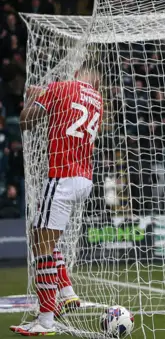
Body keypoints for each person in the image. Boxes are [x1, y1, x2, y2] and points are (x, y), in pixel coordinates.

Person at [10, 66, 103, 336]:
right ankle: (67, 292)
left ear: (79, 72)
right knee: (41, 235)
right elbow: (67, 109)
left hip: (61, 176)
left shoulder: (60, 87)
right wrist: (45, 95)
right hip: (84, 177)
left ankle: (46, 320)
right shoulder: (97, 99)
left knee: (42, 247)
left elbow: (27, 121)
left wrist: (35, 100)